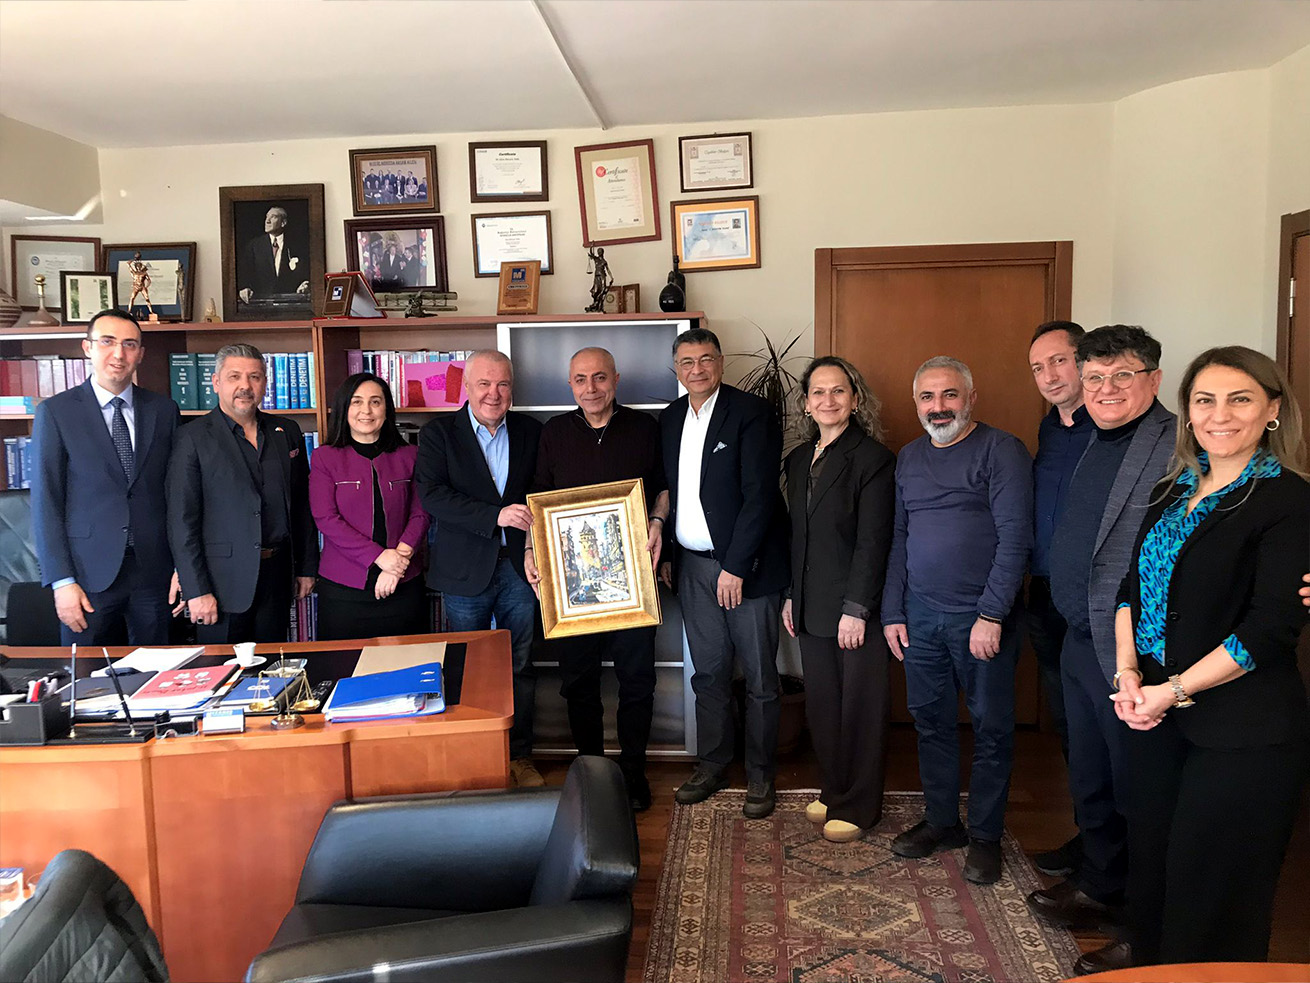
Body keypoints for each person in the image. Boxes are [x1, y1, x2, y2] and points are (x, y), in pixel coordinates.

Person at [1112, 346, 1309, 966]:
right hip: (1154, 714)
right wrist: (1128, 673)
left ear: (1272, 409)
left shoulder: (1289, 500)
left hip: (1243, 728)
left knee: (1213, 887)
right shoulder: (1172, 489)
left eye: (1239, 399)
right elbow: (1130, 589)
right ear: (1188, 411)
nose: (1219, 415)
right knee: (1153, 864)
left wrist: (1171, 692)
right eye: (1205, 400)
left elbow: (1269, 628)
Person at [1027, 325, 1175, 973]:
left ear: (1154, 379)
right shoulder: (1093, 436)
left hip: (1132, 649)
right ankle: (1101, 883)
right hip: (1078, 634)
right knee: (1089, 773)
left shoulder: (1176, 443)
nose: (1106, 389)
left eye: (1122, 375)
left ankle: (1144, 922)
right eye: (1096, 377)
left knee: (1135, 787)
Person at [881, 355, 1032, 885]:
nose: (938, 406)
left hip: (981, 617)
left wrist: (992, 613)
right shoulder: (908, 457)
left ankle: (986, 836)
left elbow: (1015, 537)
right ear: (916, 403)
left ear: (971, 398)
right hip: (920, 616)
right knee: (931, 724)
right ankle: (943, 822)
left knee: (991, 729)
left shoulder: (1002, 450)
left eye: (949, 394)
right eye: (927, 396)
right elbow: (898, 537)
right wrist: (893, 610)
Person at [524, 348, 668, 811]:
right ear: (570, 385)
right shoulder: (554, 433)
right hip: (571, 587)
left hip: (633, 581)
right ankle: (591, 774)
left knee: (637, 682)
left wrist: (658, 522)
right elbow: (538, 500)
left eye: (600, 377)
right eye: (581, 379)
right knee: (579, 683)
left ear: (616, 380)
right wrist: (530, 550)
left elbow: (663, 488)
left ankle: (634, 774)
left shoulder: (645, 428)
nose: (591, 388)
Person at [658, 328, 790, 818]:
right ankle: (713, 764)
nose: (697, 369)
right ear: (676, 369)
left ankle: (760, 773)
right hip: (692, 566)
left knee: (759, 678)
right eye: (687, 361)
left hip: (745, 570)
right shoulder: (671, 418)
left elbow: (761, 497)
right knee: (709, 672)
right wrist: (669, 551)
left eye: (706, 359)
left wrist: (735, 566)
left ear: (720, 362)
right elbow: (670, 488)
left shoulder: (752, 413)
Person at [415, 349, 545, 788]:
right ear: (466, 387)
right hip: (463, 571)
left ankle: (519, 756)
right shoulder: (438, 435)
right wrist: (495, 516)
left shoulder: (532, 431)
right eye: (484, 384)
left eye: (503, 384)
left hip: (520, 569)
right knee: (466, 666)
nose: (494, 393)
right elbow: (432, 495)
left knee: (520, 664)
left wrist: (532, 546)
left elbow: (544, 491)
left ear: (513, 388)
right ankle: (472, 757)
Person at [782, 356, 895, 842]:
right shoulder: (796, 460)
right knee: (824, 706)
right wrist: (792, 595)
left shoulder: (873, 459)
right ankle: (833, 790)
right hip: (810, 604)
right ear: (806, 404)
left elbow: (874, 542)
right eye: (818, 392)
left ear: (855, 399)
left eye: (838, 391)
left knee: (861, 709)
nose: (828, 400)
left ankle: (860, 805)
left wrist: (857, 609)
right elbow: (797, 538)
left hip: (855, 609)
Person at [31, 311, 180, 645]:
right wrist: (61, 581)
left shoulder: (163, 410)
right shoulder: (56, 413)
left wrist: (182, 568)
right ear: (87, 348)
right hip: (87, 577)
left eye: (130, 345)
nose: (119, 354)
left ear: (141, 354)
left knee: (158, 670)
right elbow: (46, 502)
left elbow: (175, 495)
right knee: (87, 674)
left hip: (153, 574)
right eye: (107, 342)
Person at [167, 343, 317, 642]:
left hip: (277, 575)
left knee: (273, 664)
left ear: (265, 383)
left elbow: (302, 504)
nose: (245, 386)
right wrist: (196, 589)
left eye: (254, 377)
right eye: (234, 377)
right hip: (220, 583)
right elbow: (181, 520)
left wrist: (306, 567)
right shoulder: (191, 437)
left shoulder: (286, 431)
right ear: (216, 382)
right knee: (224, 667)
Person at [1025, 319, 1095, 877]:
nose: (1049, 375)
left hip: (1096, 604)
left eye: (1059, 360)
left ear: (1085, 361)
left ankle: (1113, 855)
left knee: (1102, 725)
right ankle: (1090, 837)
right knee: (1071, 725)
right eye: (1037, 367)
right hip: (1045, 598)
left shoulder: (1117, 429)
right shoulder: (1048, 429)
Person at [309, 374, 430, 641]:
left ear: (386, 409)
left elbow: (421, 513)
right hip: (344, 590)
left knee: (410, 663)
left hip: (403, 584)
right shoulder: (324, 457)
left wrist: (397, 564)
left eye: (375, 402)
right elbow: (325, 518)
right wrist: (380, 557)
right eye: (357, 402)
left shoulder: (411, 455)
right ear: (344, 408)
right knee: (345, 664)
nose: (366, 410)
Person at [238, 206, 310, 303]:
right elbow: (245, 273)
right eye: (267, 217)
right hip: (261, 304)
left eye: (273, 217)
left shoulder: (296, 245)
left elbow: (304, 274)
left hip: (290, 303)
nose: (267, 221)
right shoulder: (254, 246)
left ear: (283, 223)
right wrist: (245, 288)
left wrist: (304, 284)